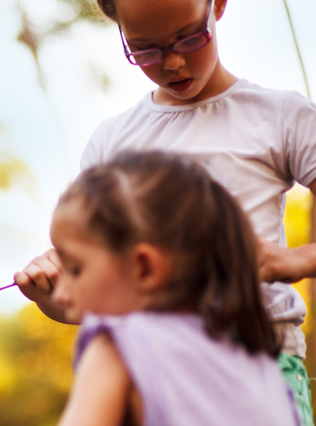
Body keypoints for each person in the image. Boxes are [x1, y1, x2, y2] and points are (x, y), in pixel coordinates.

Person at [15, 0, 316, 422]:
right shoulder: (111, 145)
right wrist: (54, 298)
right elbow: (97, 298)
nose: (173, 62)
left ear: (218, 6)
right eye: (145, 50)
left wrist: (297, 259)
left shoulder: (281, 116)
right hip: (151, 368)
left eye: (190, 37)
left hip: (263, 358)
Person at [51, 151, 297, 426]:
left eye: (74, 269)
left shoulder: (119, 346)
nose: (60, 294)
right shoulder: (263, 367)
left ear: (144, 269)